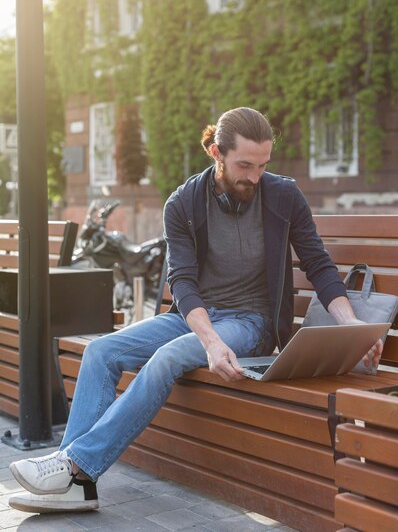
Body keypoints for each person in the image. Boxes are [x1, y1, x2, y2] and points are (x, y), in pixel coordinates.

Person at [9, 107, 382, 513]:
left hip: (250, 322)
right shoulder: (183, 203)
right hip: (196, 317)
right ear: (215, 152)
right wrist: (209, 340)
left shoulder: (283, 195)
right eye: (244, 165)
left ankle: (74, 467)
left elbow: (318, 264)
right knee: (101, 352)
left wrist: (353, 326)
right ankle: (76, 481)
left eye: (262, 165)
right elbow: (182, 283)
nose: (255, 177)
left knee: (168, 357)